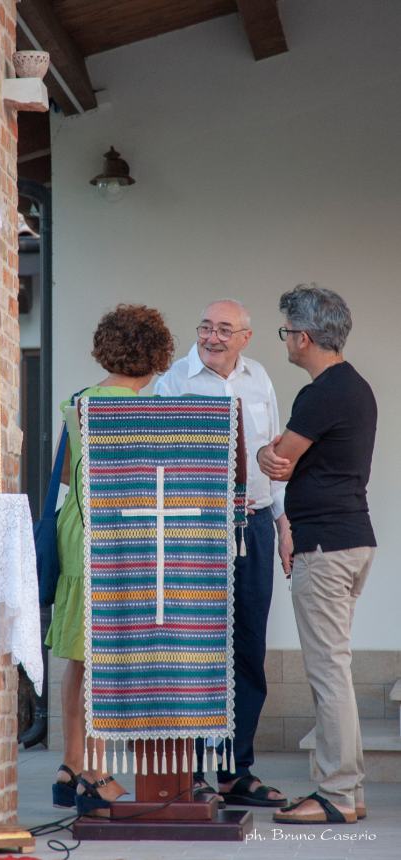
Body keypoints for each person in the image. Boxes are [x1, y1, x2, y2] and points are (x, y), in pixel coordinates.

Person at [155, 299, 290, 807]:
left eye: (224, 330)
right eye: (206, 327)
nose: (212, 337)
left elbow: (274, 457)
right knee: (195, 647)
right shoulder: (175, 381)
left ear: (246, 338)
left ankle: (236, 770)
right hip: (195, 528)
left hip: (253, 523)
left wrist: (281, 521)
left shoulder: (259, 379)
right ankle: (186, 771)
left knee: (248, 645)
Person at [45, 303, 175, 814]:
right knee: (106, 657)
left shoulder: (79, 400)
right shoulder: (134, 409)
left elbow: (66, 477)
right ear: (155, 356)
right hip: (112, 536)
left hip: (74, 531)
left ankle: (70, 764)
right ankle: (96, 776)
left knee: (80, 656)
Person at [258, 285, 377, 825]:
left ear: (303, 337)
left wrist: (268, 451)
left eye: (286, 331)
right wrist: (274, 455)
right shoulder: (355, 387)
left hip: (325, 546)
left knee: (328, 672)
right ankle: (347, 790)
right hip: (350, 539)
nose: (286, 339)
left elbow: (278, 459)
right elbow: (282, 460)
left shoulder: (322, 392)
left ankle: (334, 792)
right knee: (337, 669)